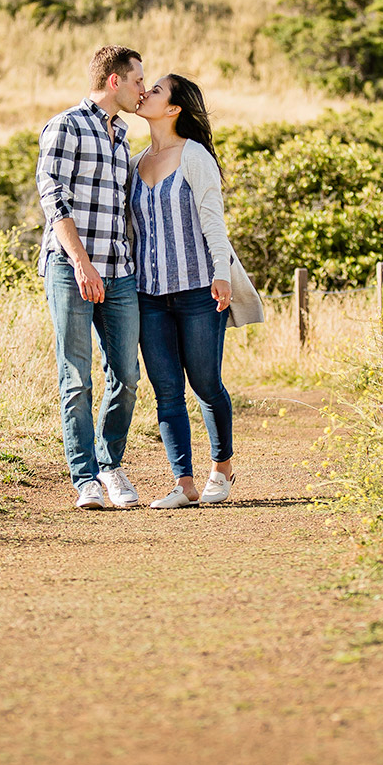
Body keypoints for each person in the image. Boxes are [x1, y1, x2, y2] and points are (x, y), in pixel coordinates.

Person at [37, 45, 147, 510]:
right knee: (75, 377)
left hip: (118, 271)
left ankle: (110, 463)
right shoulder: (66, 125)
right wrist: (81, 262)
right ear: (114, 81)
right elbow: (53, 196)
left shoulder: (123, 137)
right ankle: (85, 478)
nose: (144, 88)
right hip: (71, 268)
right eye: (139, 79)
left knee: (125, 374)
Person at [129, 73, 241, 508]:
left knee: (206, 383)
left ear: (174, 108)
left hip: (198, 290)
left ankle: (222, 468)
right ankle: (184, 482)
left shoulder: (194, 156)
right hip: (148, 293)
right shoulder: (135, 162)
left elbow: (213, 220)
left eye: (155, 90)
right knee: (167, 389)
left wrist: (222, 274)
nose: (145, 93)